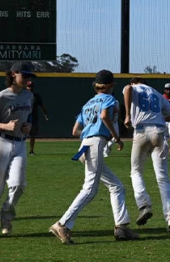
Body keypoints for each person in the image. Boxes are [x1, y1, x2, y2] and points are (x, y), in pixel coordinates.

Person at [49, 70, 138, 244]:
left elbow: (75, 131)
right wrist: (116, 137)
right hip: (95, 145)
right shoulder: (110, 99)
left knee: (117, 186)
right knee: (90, 189)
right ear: (111, 85)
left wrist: (90, 134)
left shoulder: (88, 103)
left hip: (84, 146)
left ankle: (122, 227)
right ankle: (62, 224)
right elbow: (105, 116)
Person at [0, 62, 35, 240]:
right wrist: (4, 125)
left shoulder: (28, 96)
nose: (27, 79)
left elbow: (30, 116)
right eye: (24, 75)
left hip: (20, 143)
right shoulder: (1, 97)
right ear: (13, 74)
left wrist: (28, 126)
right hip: (0, 141)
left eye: (29, 76)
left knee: (18, 184)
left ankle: (6, 215)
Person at [123, 77, 170, 233]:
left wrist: (127, 115)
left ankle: (144, 205)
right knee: (162, 178)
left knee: (135, 171)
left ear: (134, 82)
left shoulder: (133, 87)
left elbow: (127, 89)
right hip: (159, 132)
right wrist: (159, 118)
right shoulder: (157, 93)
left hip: (141, 131)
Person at [26, 80, 49, 156]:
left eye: (31, 86)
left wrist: (45, 114)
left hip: (33, 117)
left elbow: (42, 107)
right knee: (20, 133)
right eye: (29, 86)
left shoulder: (36, 96)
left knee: (32, 134)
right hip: (24, 117)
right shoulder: (22, 95)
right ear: (26, 87)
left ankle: (31, 150)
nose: (30, 88)